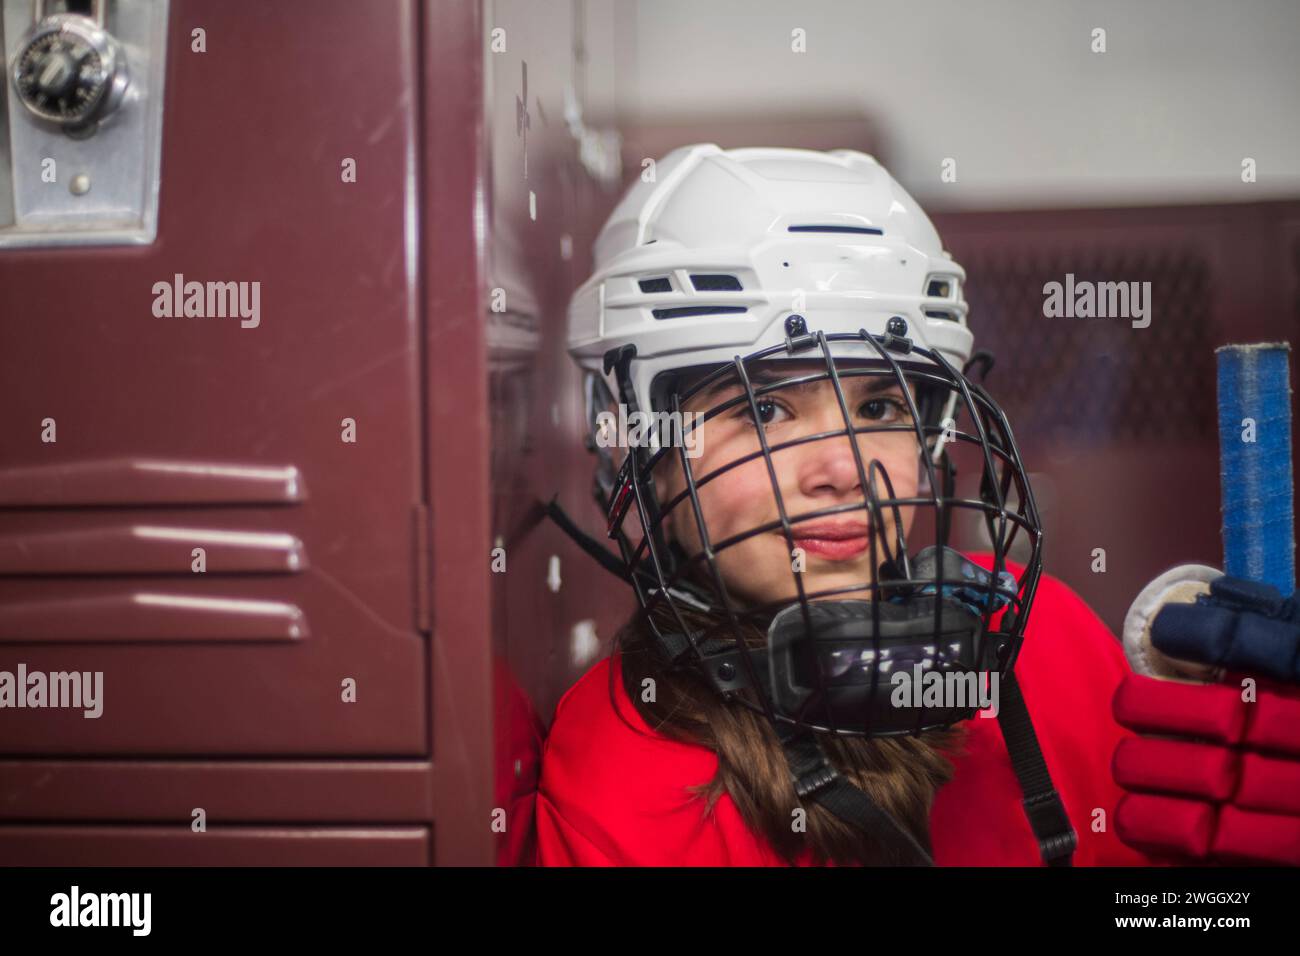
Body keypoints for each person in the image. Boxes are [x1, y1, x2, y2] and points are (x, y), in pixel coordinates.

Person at [534, 144, 1156, 866]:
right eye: (765, 409)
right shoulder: (618, 781)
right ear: (641, 447)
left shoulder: (1040, 635)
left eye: (881, 404)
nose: (845, 469)